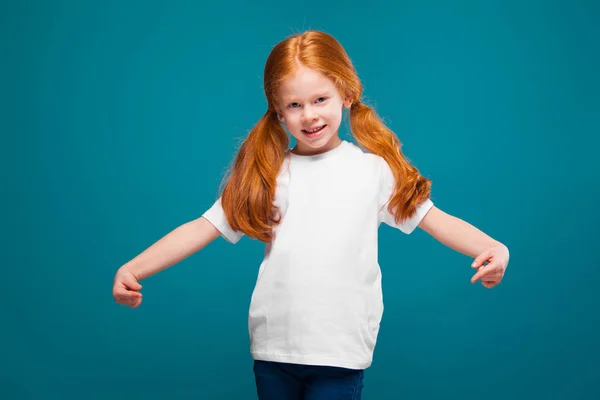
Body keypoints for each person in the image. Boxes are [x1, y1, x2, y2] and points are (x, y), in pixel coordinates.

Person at [112, 30, 510, 400]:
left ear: (346, 94)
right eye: (294, 105)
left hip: (339, 351)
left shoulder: (372, 172)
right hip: (274, 349)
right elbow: (203, 227)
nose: (309, 115)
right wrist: (134, 268)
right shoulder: (268, 173)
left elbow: (434, 218)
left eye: (320, 99)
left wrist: (491, 248)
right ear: (279, 113)